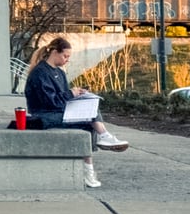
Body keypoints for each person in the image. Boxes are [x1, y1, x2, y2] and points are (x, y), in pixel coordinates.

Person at [24, 37, 128, 188]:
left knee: (90, 108)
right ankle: (99, 146)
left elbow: (61, 98)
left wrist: (78, 94)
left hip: (57, 111)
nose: (67, 60)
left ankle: (93, 160)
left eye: (68, 57)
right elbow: (50, 102)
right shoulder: (40, 73)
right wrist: (70, 94)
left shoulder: (59, 72)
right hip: (44, 115)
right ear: (54, 52)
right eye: (65, 56)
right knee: (87, 121)